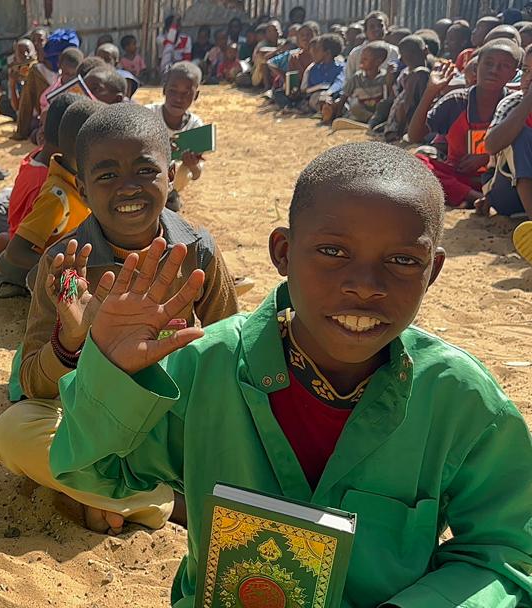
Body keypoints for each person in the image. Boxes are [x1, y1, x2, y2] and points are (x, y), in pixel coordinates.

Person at [48, 140, 532, 605]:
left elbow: (507, 554)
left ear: (433, 271)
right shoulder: (203, 366)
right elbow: (92, 473)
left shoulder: (459, 401)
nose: (365, 286)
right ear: (282, 252)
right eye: (333, 252)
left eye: (402, 261)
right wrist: (111, 373)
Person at [0, 103, 239, 534]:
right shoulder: (67, 265)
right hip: (95, 427)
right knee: (14, 432)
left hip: (170, 424)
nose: (128, 188)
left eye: (145, 171)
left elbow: (232, 356)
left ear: (170, 175)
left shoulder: (197, 252)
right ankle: (167, 504)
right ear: (83, 189)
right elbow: (34, 385)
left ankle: (107, 497)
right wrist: (70, 342)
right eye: (107, 175)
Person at [1, 99, 101, 289]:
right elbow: (15, 251)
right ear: (82, 151)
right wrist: (61, 269)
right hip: (44, 271)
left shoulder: (80, 181)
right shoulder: (58, 197)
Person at [410, 40, 522, 208]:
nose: (494, 70)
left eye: (504, 66)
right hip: (459, 177)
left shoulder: (516, 104)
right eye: (488, 63)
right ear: (476, 68)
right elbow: (414, 135)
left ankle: (469, 198)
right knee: (418, 163)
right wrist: (430, 91)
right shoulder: (457, 101)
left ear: (513, 74)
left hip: (499, 180)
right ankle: (475, 197)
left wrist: (486, 157)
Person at [482, 43, 532, 217]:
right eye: (526, 71)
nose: (528, 79)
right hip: (507, 193)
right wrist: (529, 101)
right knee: (520, 135)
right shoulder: (513, 103)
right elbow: (491, 146)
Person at [145, 62, 205, 198]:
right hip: (145, 179)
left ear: (196, 95)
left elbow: (196, 174)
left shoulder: (195, 126)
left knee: (182, 168)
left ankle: (170, 196)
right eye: (173, 91)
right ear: (164, 90)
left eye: (186, 93)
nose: (178, 98)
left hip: (172, 185)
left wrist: (192, 164)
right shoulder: (147, 115)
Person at [328, 41, 389, 127]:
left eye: (365, 59)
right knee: (354, 106)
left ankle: (375, 121)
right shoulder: (356, 78)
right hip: (360, 112)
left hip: (377, 111)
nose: (361, 61)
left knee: (385, 105)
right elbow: (344, 97)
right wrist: (337, 115)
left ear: (378, 62)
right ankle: (371, 121)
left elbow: (388, 96)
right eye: (361, 58)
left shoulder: (385, 77)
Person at [383, 34, 432, 141]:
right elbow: (395, 99)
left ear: (425, 51)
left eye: (414, 53)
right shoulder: (404, 74)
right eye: (407, 56)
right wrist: (389, 81)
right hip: (402, 119)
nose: (411, 58)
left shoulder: (430, 70)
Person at [11, 28, 57, 140]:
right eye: (34, 41)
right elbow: (24, 103)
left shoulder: (58, 65)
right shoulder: (35, 69)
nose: (37, 44)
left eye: (40, 40)